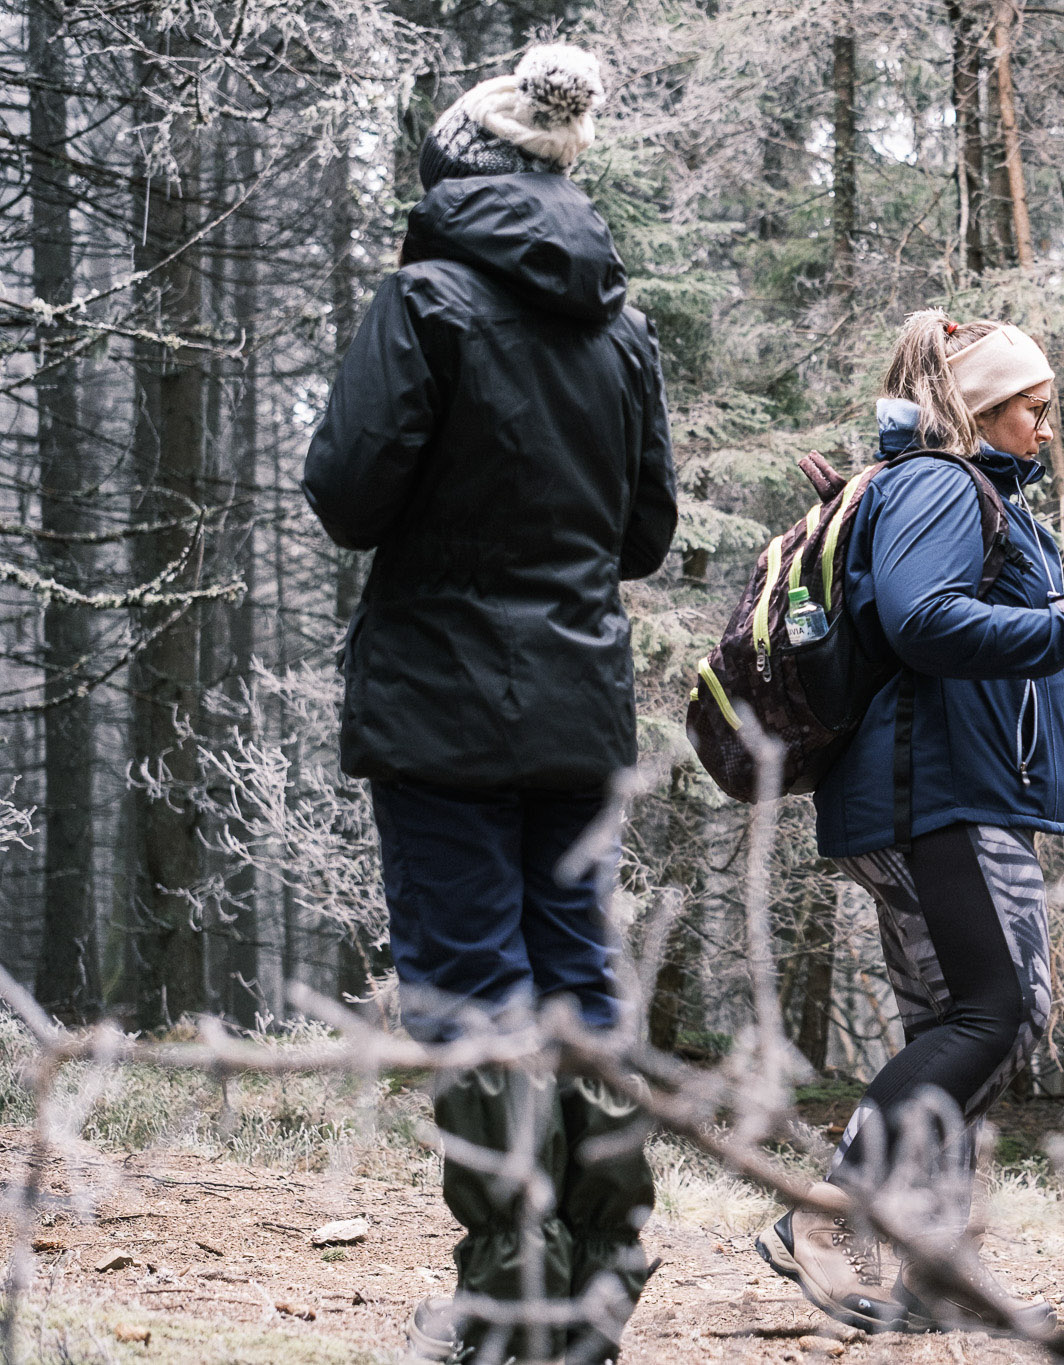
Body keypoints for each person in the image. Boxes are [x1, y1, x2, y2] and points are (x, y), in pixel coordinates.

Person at [302, 44, 677, 1365]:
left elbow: (347, 495)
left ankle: (516, 1302)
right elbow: (644, 536)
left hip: (442, 700)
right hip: (577, 702)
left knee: (473, 992)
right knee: (578, 978)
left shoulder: (425, 303)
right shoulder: (620, 328)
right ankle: (599, 1282)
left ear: (456, 168)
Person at [752, 311, 1064, 1334]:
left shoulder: (956, 493)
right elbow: (922, 623)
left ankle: (929, 1277)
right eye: (1031, 408)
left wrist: (1062, 683)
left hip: (937, 787)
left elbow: (950, 645)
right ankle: (825, 1211)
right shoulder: (938, 483)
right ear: (977, 408)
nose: (1044, 428)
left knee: (956, 1024)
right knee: (997, 1009)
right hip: (934, 795)